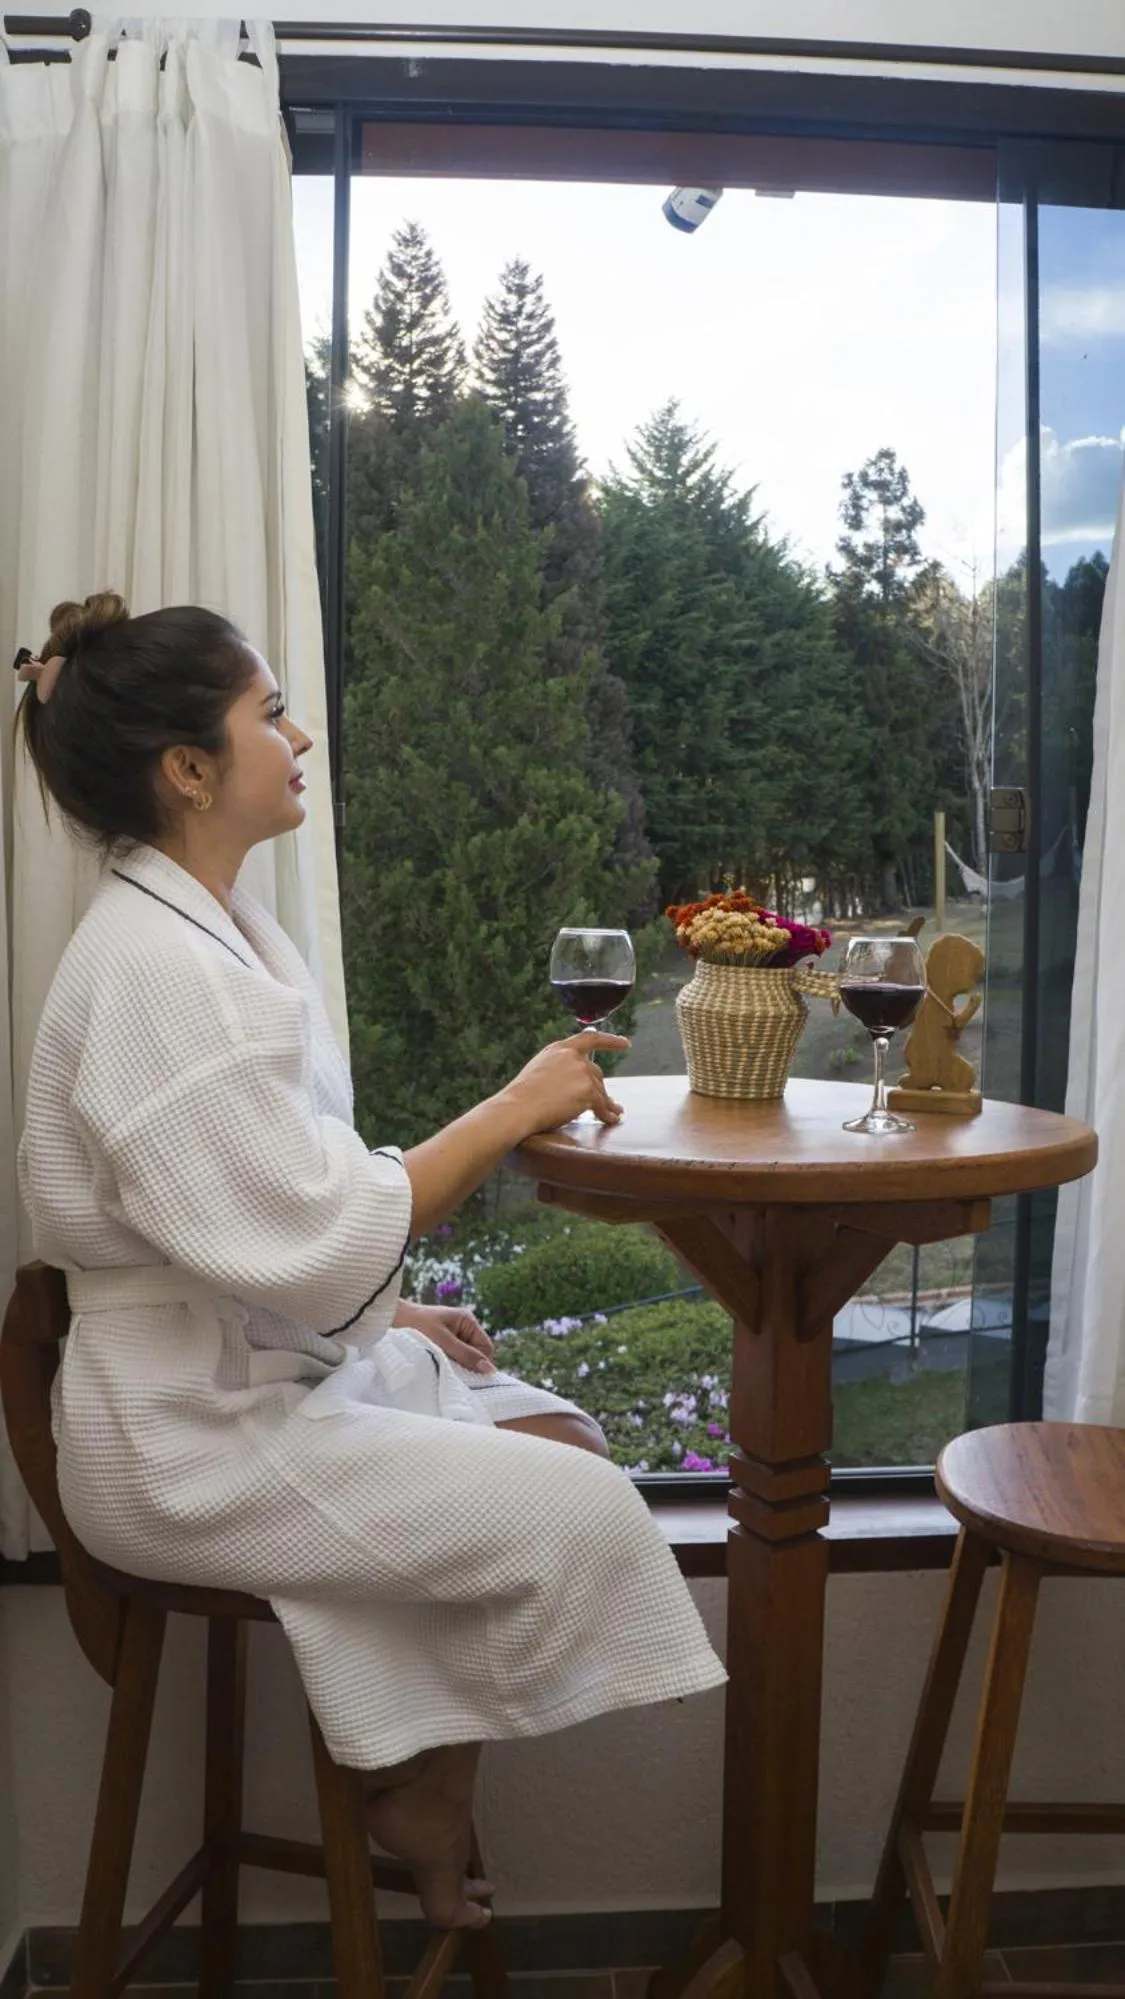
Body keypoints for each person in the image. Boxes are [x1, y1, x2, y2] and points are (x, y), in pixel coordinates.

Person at [14, 593, 726, 1930]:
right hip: (181, 1438)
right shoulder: (159, 970)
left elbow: (257, 1215)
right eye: (268, 711)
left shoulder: (206, 936)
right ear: (189, 768)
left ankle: (414, 1761)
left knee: (555, 1434)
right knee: (574, 1510)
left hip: (248, 1366)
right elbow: (312, 1227)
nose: (300, 737)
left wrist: (384, 1302)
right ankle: (412, 1784)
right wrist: (510, 1109)